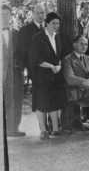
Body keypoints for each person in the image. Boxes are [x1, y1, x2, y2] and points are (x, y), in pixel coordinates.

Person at [29, 12, 68, 140]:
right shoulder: (38, 37)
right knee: (42, 103)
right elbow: (36, 58)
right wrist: (51, 66)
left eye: (57, 23)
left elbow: (61, 55)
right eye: (53, 23)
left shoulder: (58, 37)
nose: (56, 26)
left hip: (56, 75)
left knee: (55, 101)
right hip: (41, 75)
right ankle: (43, 131)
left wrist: (59, 66)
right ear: (46, 23)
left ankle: (56, 129)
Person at [2, 5, 25, 137]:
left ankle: (14, 128)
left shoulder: (17, 33)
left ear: (11, 16)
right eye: (2, 14)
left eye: (7, 14)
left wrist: (19, 66)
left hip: (15, 73)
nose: (4, 17)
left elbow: (22, 53)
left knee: (16, 100)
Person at [18, 4, 46, 101]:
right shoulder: (25, 30)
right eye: (37, 13)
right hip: (34, 69)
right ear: (33, 14)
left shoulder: (49, 27)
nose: (40, 15)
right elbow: (23, 51)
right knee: (39, 99)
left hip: (49, 68)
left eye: (42, 13)